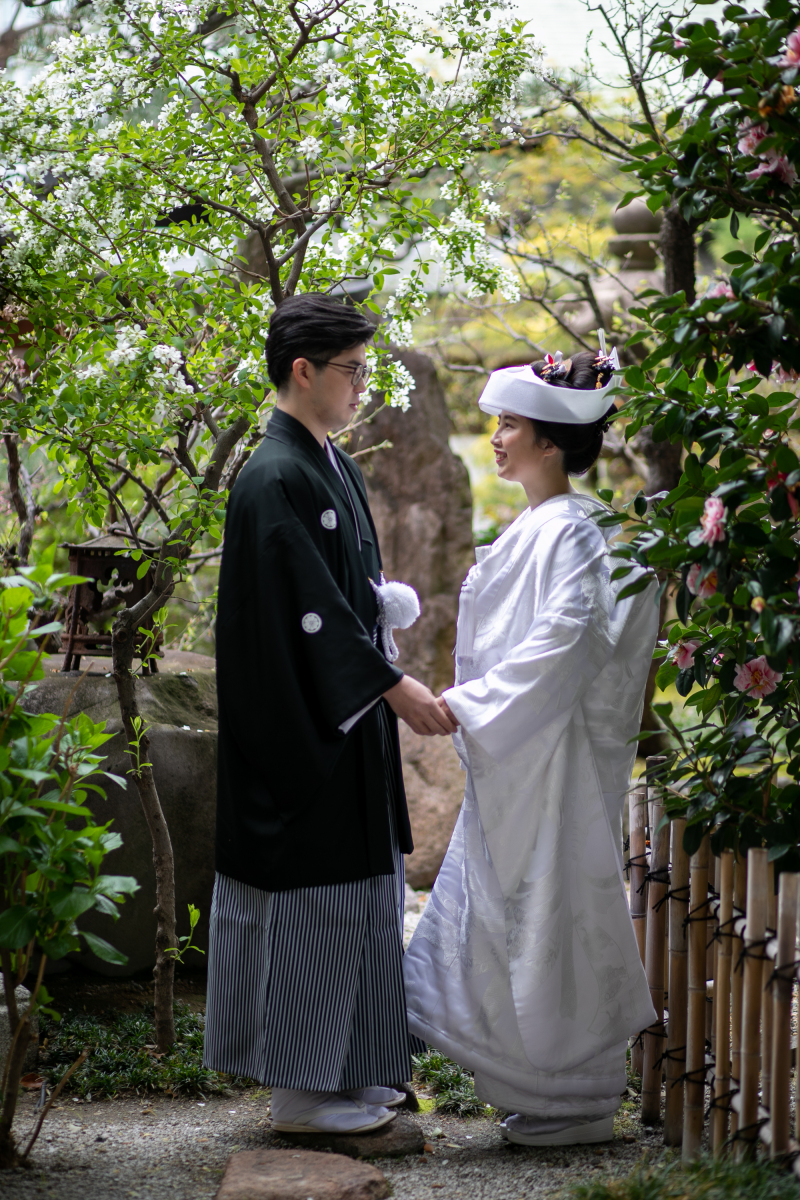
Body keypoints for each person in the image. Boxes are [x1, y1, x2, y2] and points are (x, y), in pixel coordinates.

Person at [204, 293, 456, 1135]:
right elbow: (302, 611)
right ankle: (302, 1092)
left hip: (338, 722)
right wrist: (390, 688)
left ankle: (354, 1068)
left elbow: (336, 595)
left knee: (361, 894)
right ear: (302, 371)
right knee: (317, 898)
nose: (361, 386)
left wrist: (380, 605)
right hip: (302, 728)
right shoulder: (274, 473)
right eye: (350, 371)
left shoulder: (326, 461)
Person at [403, 349, 659, 1147]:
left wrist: (473, 704)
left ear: (551, 442)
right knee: (527, 910)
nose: (497, 437)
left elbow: (569, 640)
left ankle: (572, 1092)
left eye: (510, 424)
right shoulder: (560, 527)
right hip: (530, 752)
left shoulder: (576, 531)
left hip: (553, 758)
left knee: (553, 908)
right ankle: (546, 1088)